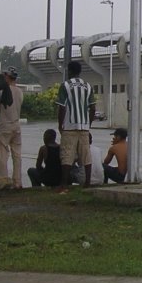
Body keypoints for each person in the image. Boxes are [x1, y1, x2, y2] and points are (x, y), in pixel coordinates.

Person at [57, 60, 95, 189]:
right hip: (84, 127)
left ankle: (63, 184)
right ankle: (88, 183)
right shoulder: (88, 86)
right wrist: (88, 124)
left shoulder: (65, 85)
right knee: (86, 155)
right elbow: (93, 107)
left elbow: (62, 107)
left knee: (67, 155)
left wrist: (60, 124)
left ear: (70, 71)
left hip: (69, 126)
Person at [0, 67, 23, 188]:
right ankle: (17, 182)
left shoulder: (1, 91)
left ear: (7, 76)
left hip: (4, 126)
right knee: (17, 155)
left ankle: (3, 181)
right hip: (16, 126)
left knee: (3, 155)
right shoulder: (20, 92)